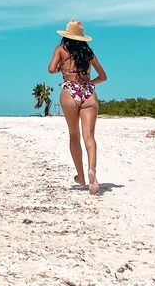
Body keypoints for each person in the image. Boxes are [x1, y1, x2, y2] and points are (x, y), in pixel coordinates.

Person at [48, 20, 107, 195]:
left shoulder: (61, 50)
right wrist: (90, 83)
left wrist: (61, 68)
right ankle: (92, 171)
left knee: (74, 135)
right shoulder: (89, 53)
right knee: (89, 136)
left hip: (70, 92)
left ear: (66, 36)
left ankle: (80, 176)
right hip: (88, 93)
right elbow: (103, 77)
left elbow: (51, 69)